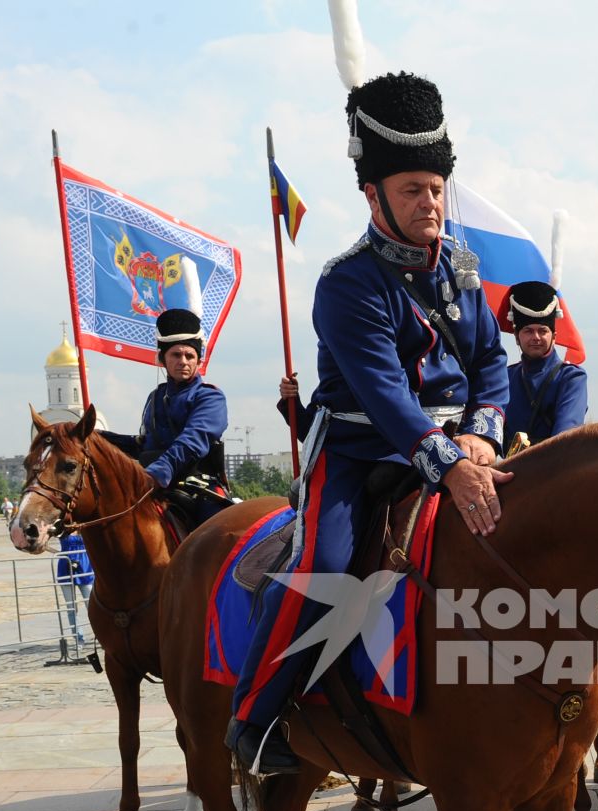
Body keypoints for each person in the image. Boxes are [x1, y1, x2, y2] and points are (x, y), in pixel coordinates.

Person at [228, 69, 510, 774]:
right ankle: (256, 722)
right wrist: (451, 461)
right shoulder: (346, 281)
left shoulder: (462, 268)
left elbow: (490, 364)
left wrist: (482, 429)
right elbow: (385, 396)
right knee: (320, 568)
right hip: (360, 451)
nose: (431, 203)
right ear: (373, 193)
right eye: (413, 189)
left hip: (455, 446)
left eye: (437, 188)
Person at [99, 309, 233, 527]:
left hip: (198, 487)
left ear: (198, 360)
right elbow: (143, 445)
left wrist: (157, 473)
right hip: (152, 483)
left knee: (219, 536)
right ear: (163, 358)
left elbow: (192, 442)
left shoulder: (210, 397)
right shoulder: (156, 397)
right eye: (176, 355)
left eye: (190, 356)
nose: (183, 361)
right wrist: (97, 439)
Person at [500, 280, 588, 445]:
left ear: (554, 337)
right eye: (528, 331)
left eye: (543, 331)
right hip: (508, 469)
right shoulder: (506, 377)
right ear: (517, 337)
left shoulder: (571, 377)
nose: (536, 337)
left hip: (556, 468)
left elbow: (564, 438)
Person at [56, 530, 94, 648]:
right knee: (71, 607)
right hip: (66, 566)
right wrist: (59, 553)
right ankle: (79, 638)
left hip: (85, 568)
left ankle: (100, 635)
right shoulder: (62, 528)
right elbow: (42, 542)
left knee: (92, 605)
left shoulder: (85, 527)